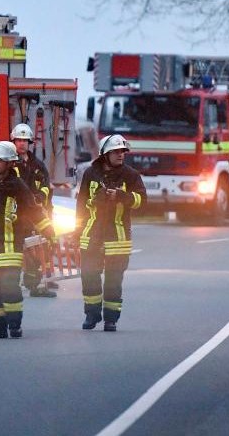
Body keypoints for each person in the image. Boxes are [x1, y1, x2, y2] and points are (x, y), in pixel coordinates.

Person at [0, 141, 54, 339]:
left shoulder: (18, 186)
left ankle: (14, 324)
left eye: (0, 161)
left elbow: (33, 210)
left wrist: (48, 230)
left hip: (11, 247)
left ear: (10, 163)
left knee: (10, 287)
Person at [75, 134, 145, 332]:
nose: (120, 155)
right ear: (105, 154)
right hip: (92, 234)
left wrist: (122, 196)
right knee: (89, 275)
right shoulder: (91, 173)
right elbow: (81, 204)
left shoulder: (131, 175)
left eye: (122, 151)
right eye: (115, 152)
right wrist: (77, 231)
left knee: (114, 280)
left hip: (118, 236)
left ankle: (111, 319)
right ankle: (92, 314)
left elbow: (142, 201)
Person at [11, 123, 57, 298]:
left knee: (36, 250)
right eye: (18, 140)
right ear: (13, 141)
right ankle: (9, 285)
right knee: (15, 252)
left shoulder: (37, 165)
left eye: (25, 140)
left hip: (34, 215)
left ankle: (34, 285)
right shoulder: (10, 162)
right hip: (16, 216)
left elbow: (46, 186)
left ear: (29, 142)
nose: (21, 143)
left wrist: (40, 199)